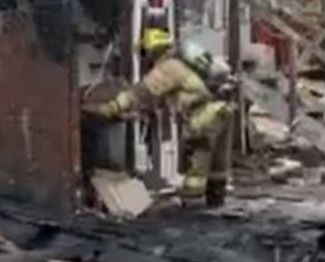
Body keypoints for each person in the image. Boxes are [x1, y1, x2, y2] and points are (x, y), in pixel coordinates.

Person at [84, 29, 235, 207]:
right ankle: (216, 200)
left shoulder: (168, 67)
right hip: (223, 109)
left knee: (198, 163)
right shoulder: (184, 64)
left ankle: (194, 205)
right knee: (217, 163)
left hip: (204, 115)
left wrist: (112, 107)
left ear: (151, 51)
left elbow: (142, 92)